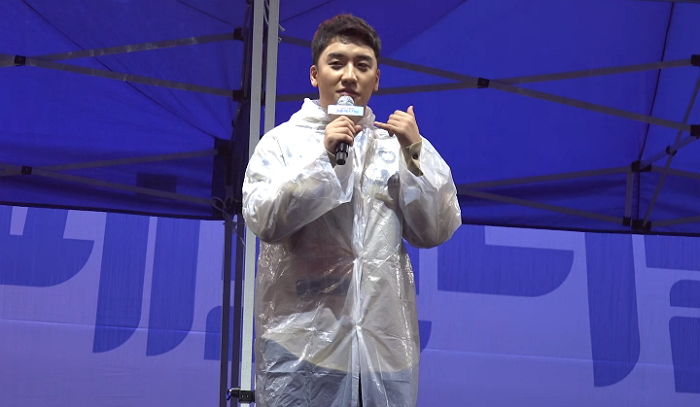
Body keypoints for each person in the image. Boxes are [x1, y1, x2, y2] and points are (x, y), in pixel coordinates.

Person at [242, 14, 461, 407]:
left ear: (376, 80)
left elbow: (436, 229)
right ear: (315, 75)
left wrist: (416, 153)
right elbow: (265, 220)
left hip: (382, 349)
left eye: (362, 65)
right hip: (303, 347)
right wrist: (323, 159)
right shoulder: (281, 143)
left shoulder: (394, 148)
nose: (349, 76)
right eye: (336, 63)